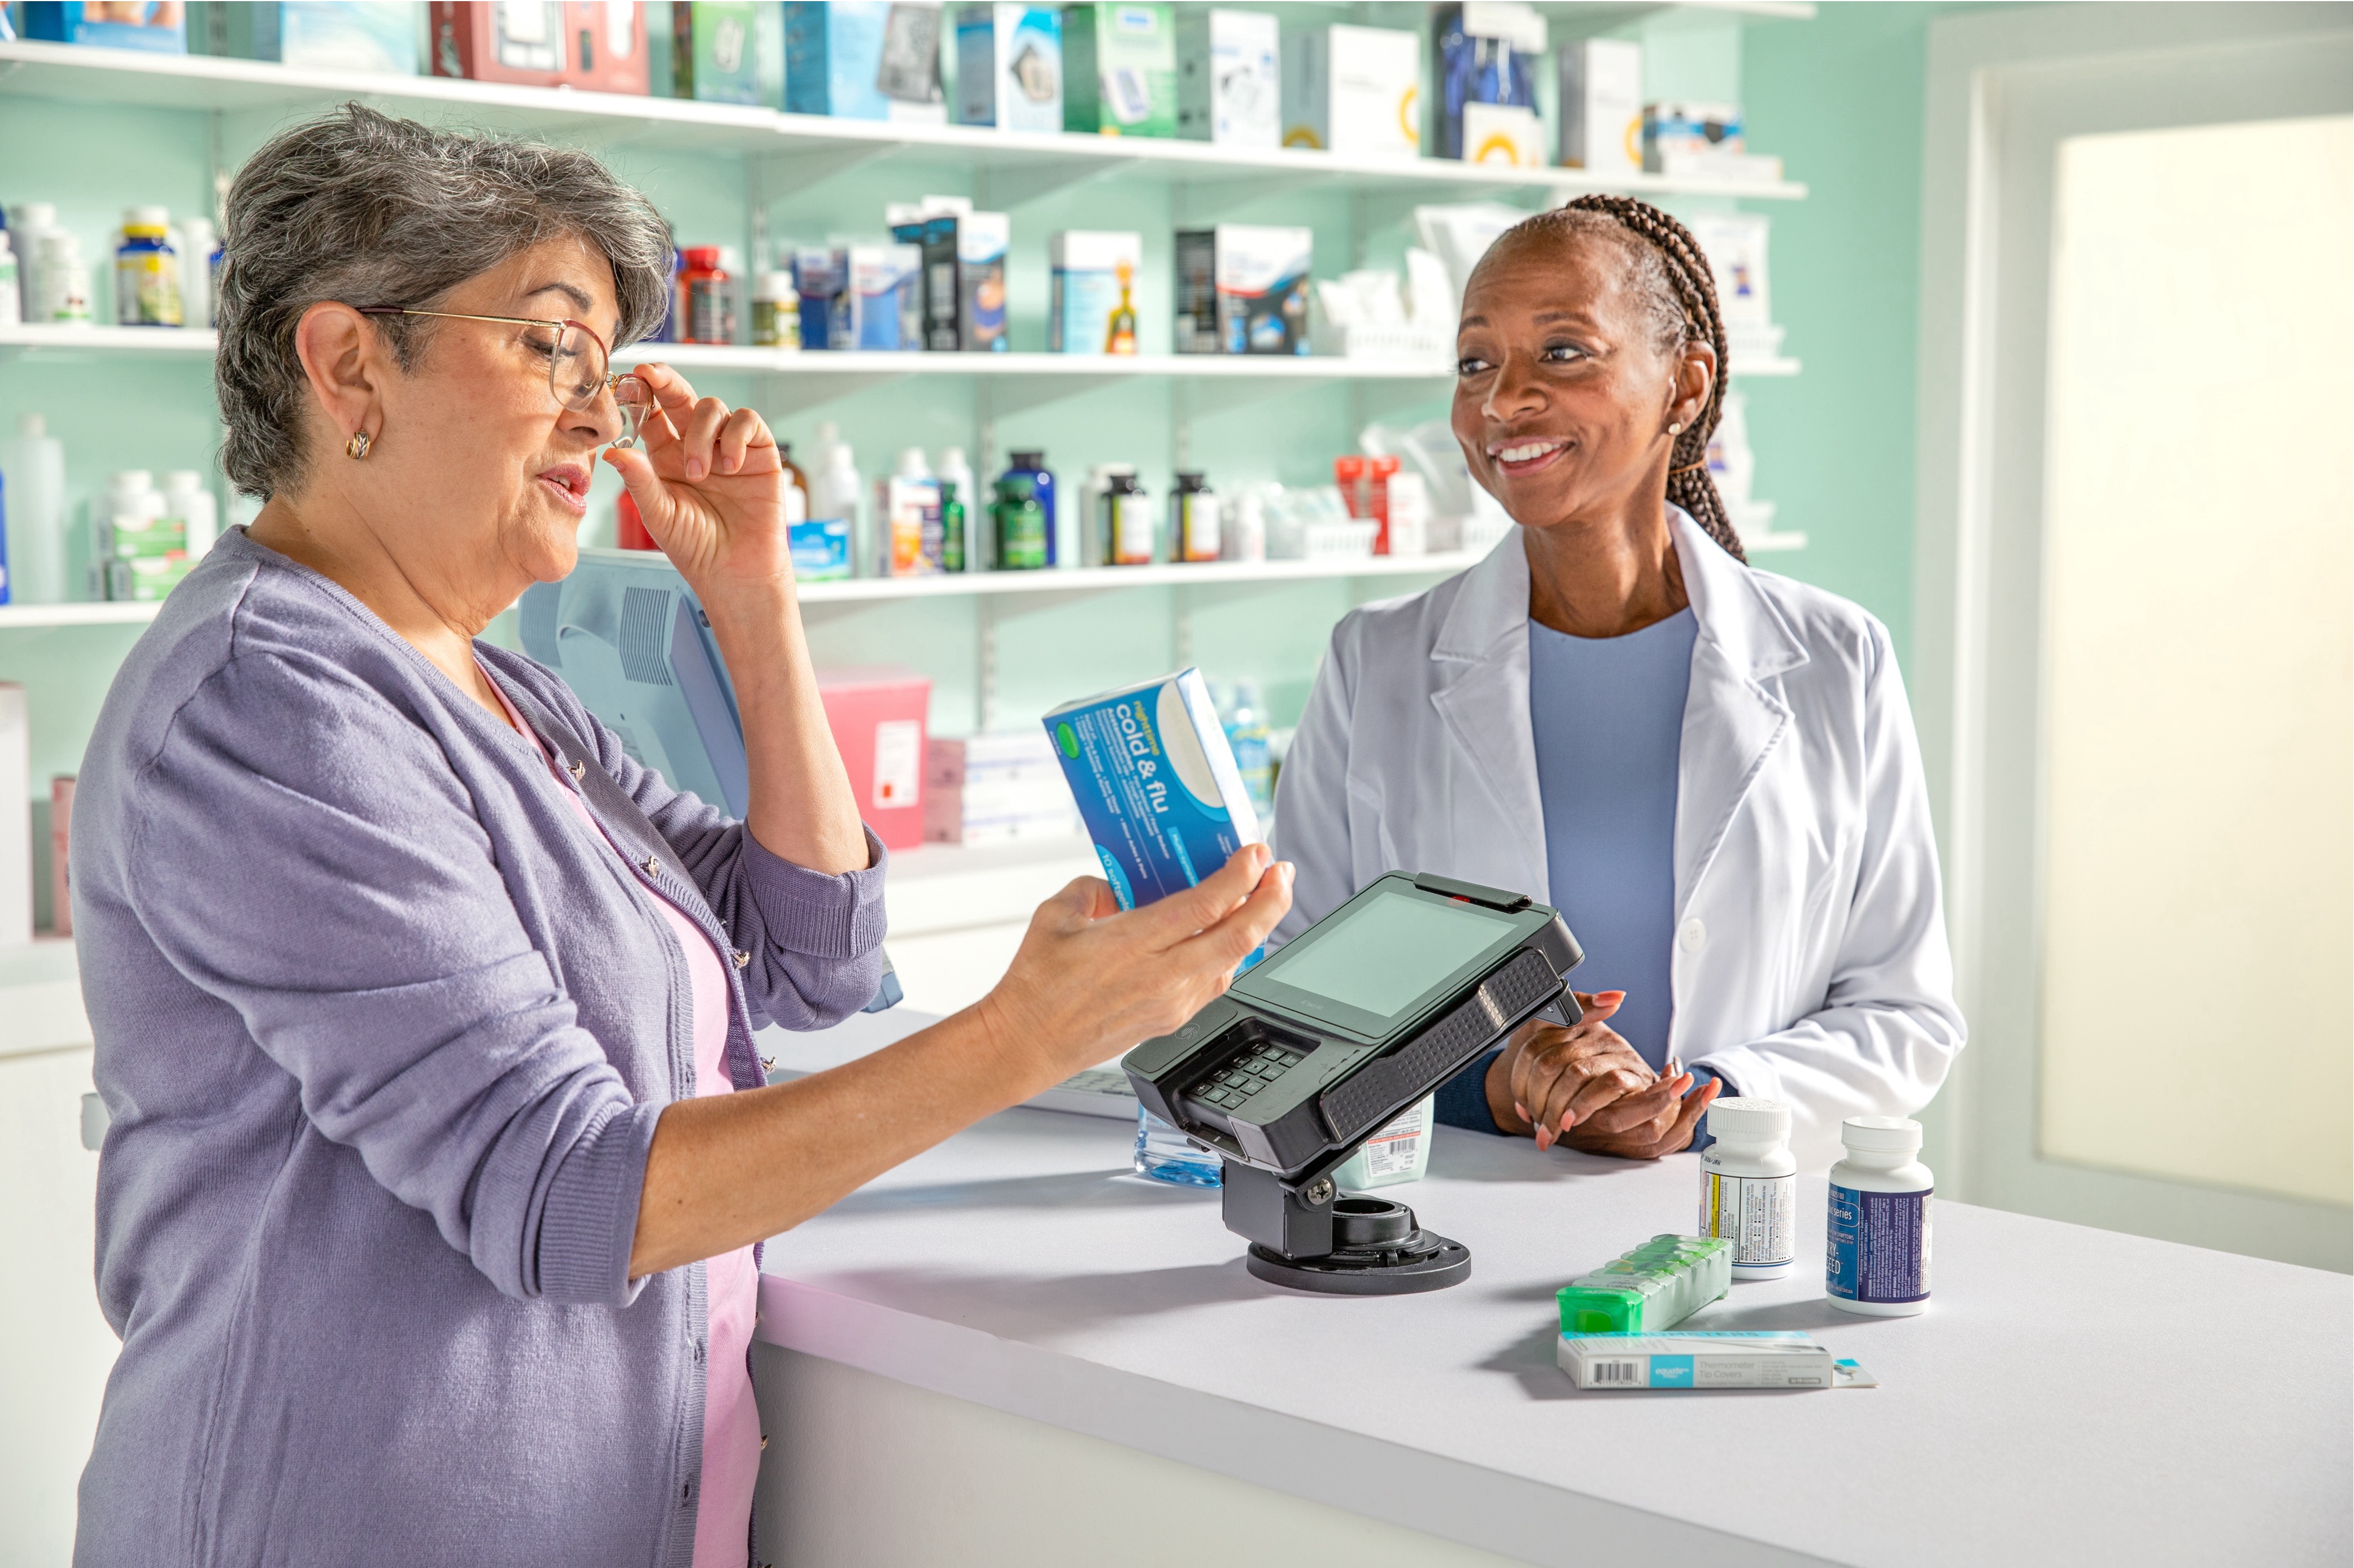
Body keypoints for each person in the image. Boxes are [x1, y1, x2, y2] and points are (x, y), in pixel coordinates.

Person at [70, 106, 1291, 1568]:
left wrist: (754, 600)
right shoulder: (268, 706)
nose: (599, 416)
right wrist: (1029, 1035)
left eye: (603, 367)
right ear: (348, 363)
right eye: (547, 347)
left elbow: (808, 951)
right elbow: (567, 1189)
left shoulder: (482, 680)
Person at [1272, 196, 1961, 1167]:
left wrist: (1703, 1099)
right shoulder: (1373, 663)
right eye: (1476, 362)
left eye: (1562, 352)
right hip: (1454, 1226)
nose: (1504, 400)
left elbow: (1903, 1013)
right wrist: (1500, 1085)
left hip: (1737, 1213)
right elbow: (1299, 1015)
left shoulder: (1837, 659)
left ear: (1685, 386)